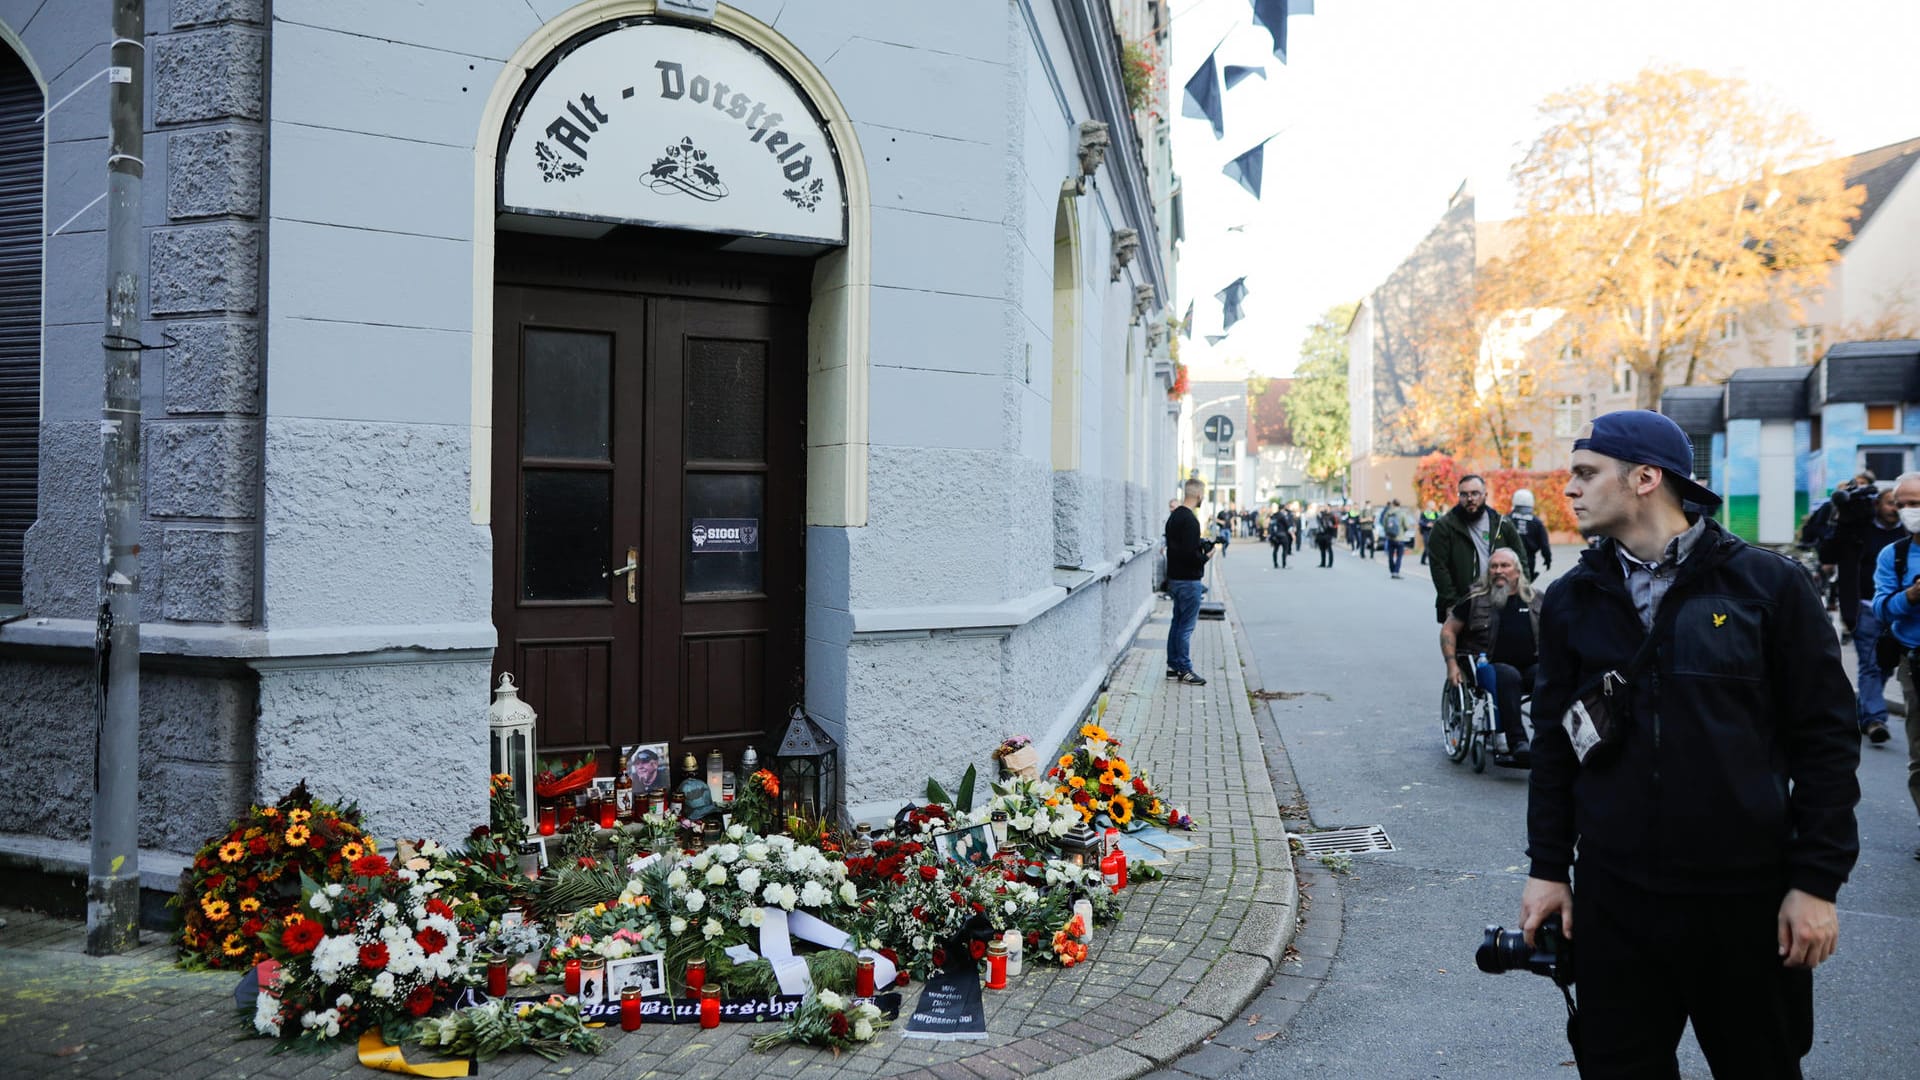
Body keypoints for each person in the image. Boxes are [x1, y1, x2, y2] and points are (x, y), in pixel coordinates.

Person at [1522, 410, 1860, 1079]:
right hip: (1615, 903)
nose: (1571, 488)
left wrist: (1815, 883)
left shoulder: (1768, 587)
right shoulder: (1570, 601)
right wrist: (1548, 868)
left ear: (1646, 478)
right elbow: (1555, 749)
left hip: (1743, 905)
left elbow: (1825, 740)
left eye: (1588, 473)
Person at [1438, 547, 1536, 763]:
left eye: (1505, 566)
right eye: (1494, 566)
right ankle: (1518, 742)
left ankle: (1550, 738)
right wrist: (1452, 665)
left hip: (1529, 666)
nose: (1499, 570)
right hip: (1486, 667)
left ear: (1517, 572)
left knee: (1550, 675)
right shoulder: (1474, 600)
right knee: (1509, 675)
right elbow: (1448, 630)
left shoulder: (1535, 600)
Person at [1868, 471, 1920, 849]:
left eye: (1915, 504)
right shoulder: (1895, 555)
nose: (1907, 512)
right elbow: (1883, 609)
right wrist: (1912, 596)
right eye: (1901, 505)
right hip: (1914, 661)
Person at [1426, 474, 1525, 624]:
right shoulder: (1444, 527)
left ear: (1485, 494)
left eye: (1475, 493)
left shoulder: (1502, 524)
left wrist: (1522, 595)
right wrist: (1451, 603)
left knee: (1503, 646)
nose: (1470, 498)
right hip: (1463, 603)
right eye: (1464, 494)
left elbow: (1521, 561)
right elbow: (1439, 567)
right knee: (1465, 647)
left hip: (1501, 600)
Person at [1854, 485, 1901, 746]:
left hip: (1899, 610)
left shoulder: (1909, 536)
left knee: (1885, 664)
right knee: (1870, 664)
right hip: (1867, 608)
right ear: (1877, 505)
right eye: (1889, 503)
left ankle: (1863, 708)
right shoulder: (1863, 532)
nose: (1894, 509)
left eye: (1899, 504)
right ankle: (1875, 719)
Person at [1164, 479, 1213, 686]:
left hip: (1174, 579)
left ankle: (1173, 665)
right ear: (1199, 495)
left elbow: (1178, 548)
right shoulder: (1191, 521)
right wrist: (1207, 556)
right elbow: (1190, 554)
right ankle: (1185, 669)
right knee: (1186, 627)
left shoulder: (1174, 517)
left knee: (1177, 623)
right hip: (1188, 580)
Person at [1509, 488, 1553, 579]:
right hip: (1528, 560)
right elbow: (1544, 545)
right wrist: (1547, 559)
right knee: (1525, 586)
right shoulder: (1537, 522)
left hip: (1509, 559)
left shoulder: (1506, 519)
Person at [1381, 499, 1413, 579]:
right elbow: (1407, 526)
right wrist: (1403, 531)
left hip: (1390, 537)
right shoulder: (1402, 513)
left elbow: (1384, 524)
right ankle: (1396, 572)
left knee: (1390, 556)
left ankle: (1392, 571)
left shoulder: (1388, 513)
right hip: (1400, 538)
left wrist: (1387, 533)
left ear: (1393, 504)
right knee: (1399, 556)